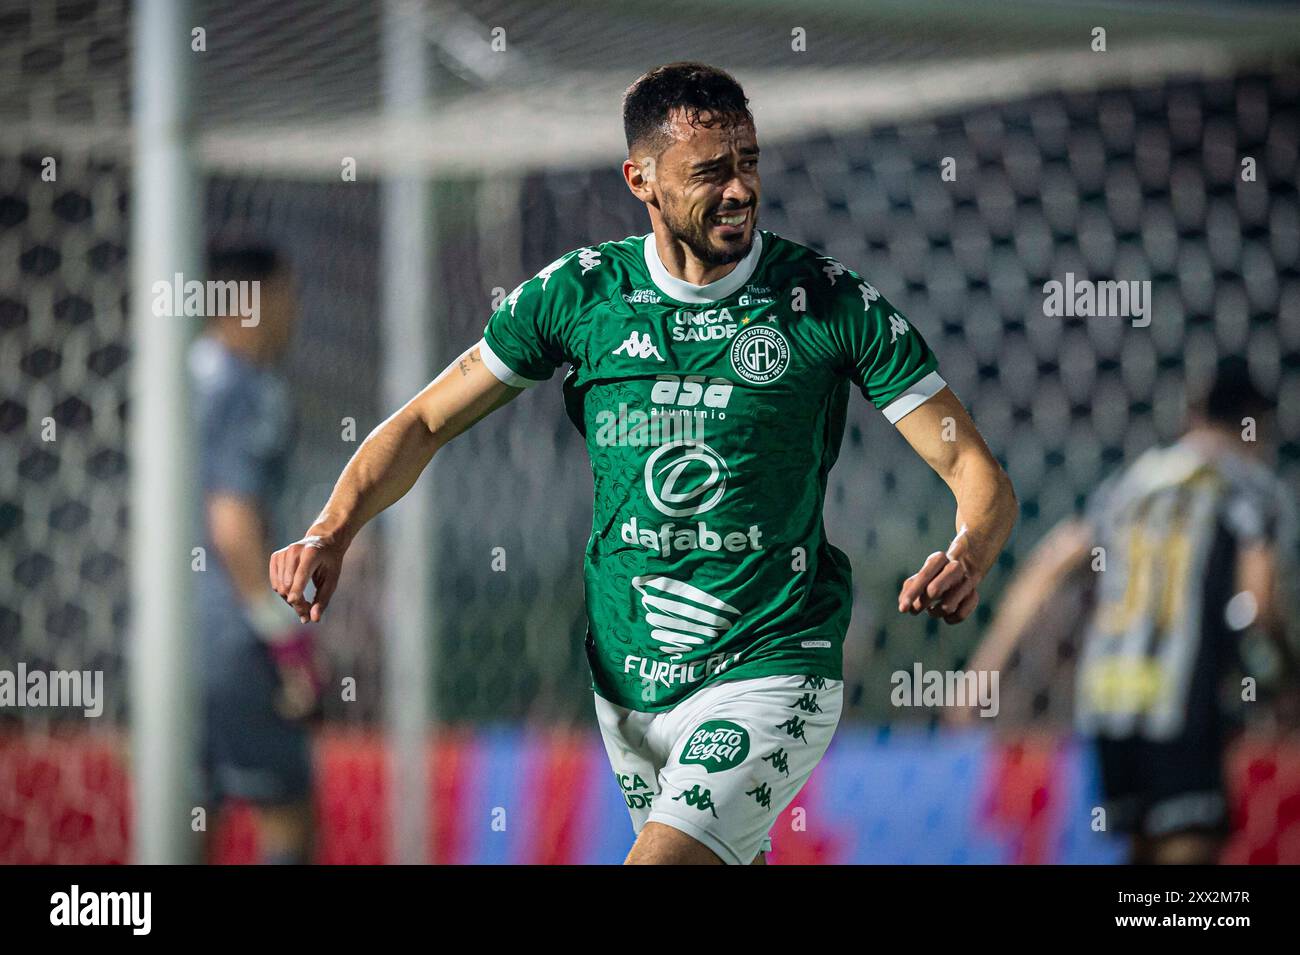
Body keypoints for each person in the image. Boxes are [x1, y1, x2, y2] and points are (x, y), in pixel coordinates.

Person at [270, 62, 1017, 865]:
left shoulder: (826, 302)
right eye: (709, 172)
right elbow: (421, 421)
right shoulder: (578, 295)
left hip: (772, 659)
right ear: (642, 180)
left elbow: (975, 470)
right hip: (628, 676)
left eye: (750, 162)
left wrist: (969, 548)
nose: (740, 190)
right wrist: (332, 527)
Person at [965, 356, 1297, 864]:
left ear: (1193, 415)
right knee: (1189, 855)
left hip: (1109, 693)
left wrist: (984, 669)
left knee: (1142, 849)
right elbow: (1258, 603)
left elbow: (1051, 562)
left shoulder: (1134, 483)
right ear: (1257, 424)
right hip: (1182, 698)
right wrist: (1279, 676)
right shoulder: (1248, 484)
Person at [192, 245, 321, 864]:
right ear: (256, 301)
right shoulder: (250, 390)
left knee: (188, 808)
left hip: (165, 638)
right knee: (289, 814)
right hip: (232, 638)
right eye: (287, 296)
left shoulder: (181, 375)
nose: (293, 313)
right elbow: (233, 523)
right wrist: (284, 639)